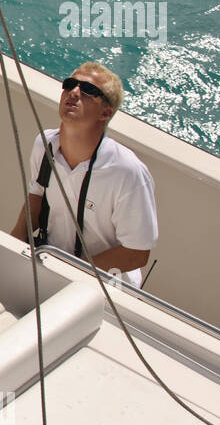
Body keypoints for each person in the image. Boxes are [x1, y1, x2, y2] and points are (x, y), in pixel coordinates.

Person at [10, 62, 158, 286]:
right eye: (70, 84)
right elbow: (36, 198)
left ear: (105, 113)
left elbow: (136, 252)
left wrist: (70, 272)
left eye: (88, 91)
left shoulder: (127, 172)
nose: (74, 92)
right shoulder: (44, 145)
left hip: (105, 286)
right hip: (49, 269)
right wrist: (9, 249)